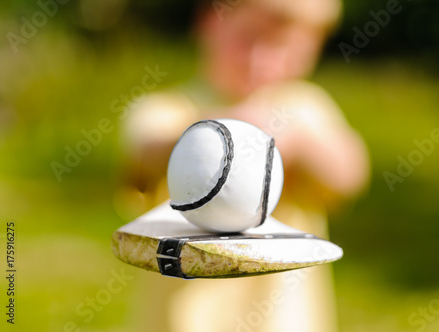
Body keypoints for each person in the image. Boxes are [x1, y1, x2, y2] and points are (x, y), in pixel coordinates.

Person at [115, 0, 370, 331]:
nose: (260, 59)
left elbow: (350, 174)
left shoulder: (305, 108)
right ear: (210, 22)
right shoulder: (169, 108)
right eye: (247, 38)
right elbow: (143, 152)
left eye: (283, 47)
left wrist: (296, 144)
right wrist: (211, 137)